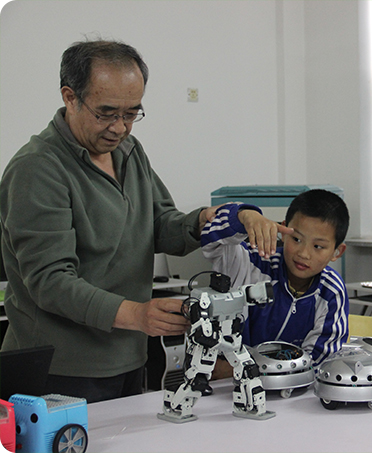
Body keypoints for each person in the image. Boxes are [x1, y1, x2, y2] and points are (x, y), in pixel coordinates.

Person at [0, 39, 220, 402]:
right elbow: (51, 282)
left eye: (131, 113)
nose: (120, 128)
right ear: (70, 97)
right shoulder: (37, 169)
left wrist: (204, 223)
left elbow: (159, 224)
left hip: (129, 357)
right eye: (106, 113)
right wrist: (138, 314)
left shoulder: (129, 152)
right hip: (61, 369)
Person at [201, 189, 350, 374]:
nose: (304, 254)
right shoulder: (250, 262)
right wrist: (244, 215)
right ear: (283, 231)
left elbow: (317, 364)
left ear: (337, 251)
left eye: (318, 246)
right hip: (227, 385)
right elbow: (211, 242)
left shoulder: (331, 291)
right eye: (296, 239)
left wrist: (248, 371)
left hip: (287, 388)